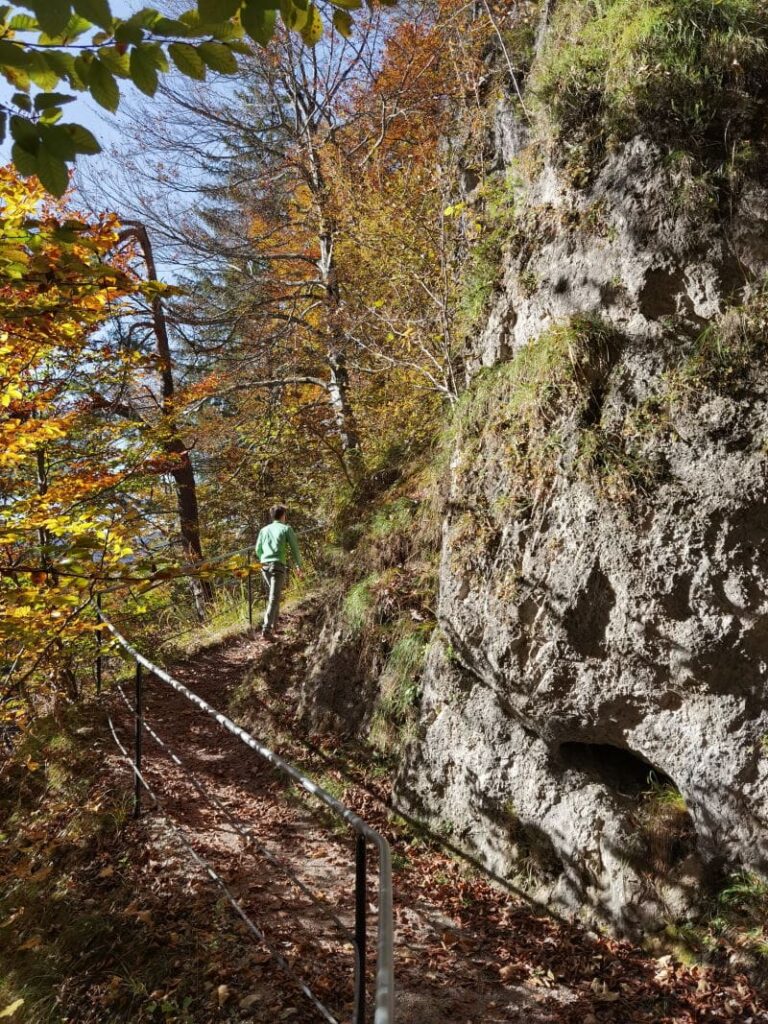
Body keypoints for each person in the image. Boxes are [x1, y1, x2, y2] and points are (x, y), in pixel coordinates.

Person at [255, 505, 302, 639]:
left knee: (273, 596)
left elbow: (258, 549)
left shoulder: (264, 530)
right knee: (274, 598)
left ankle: (274, 626)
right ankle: (266, 629)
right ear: (283, 515)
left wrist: (263, 558)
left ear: (272, 516)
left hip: (264, 565)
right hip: (277, 565)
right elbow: (295, 549)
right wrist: (299, 566)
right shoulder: (286, 528)